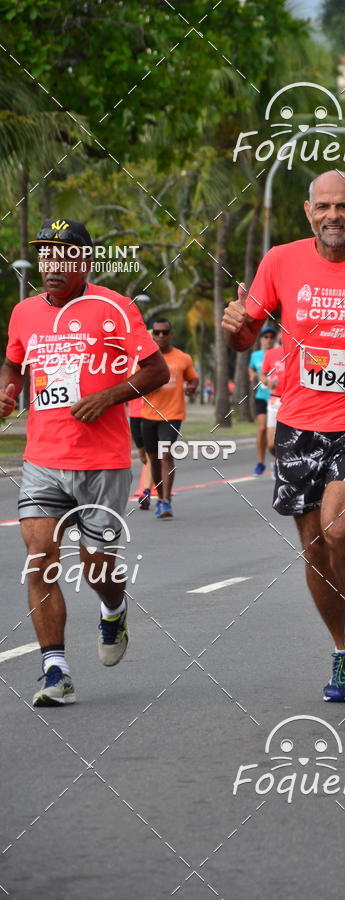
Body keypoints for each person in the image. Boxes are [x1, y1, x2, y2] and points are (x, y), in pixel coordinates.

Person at [223, 170, 345, 703]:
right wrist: (236, 326)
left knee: (338, 526)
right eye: (323, 206)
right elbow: (248, 331)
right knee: (314, 546)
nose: (333, 216)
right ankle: (342, 649)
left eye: (344, 206)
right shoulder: (280, 260)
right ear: (308, 211)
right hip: (298, 421)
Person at [0, 218, 168, 706]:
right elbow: (13, 361)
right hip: (43, 459)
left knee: (97, 566)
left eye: (65, 254)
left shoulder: (114, 308)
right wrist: (8, 390)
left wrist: (108, 397)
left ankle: (113, 609)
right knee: (39, 560)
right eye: (47, 255)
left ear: (85, 261)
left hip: (103, 462)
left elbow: (155, 369)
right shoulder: (24, 313)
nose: (53, 264)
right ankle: (55, 670)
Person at [140, 317, 198, 518]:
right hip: (147, 415)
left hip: (172, 415)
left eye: (165, 332)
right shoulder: (145, 358)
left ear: (171, 334)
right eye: (157, 332)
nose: (161, 336)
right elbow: (134, 382)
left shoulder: (183, 358)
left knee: (166, 455)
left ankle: (166, 501)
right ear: (152, 334)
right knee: (153, 460)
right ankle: (159, 496)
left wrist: (192, 388)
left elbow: (193, 378)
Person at [249, 326, 276, 475]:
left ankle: (275, 461)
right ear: (261, 340)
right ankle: (260, 462)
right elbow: (252, 368)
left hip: (276, 398)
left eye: (272, 337)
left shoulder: (280, 354)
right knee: (261, 428)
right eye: (266, 337)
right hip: (261, 396)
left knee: (274, 433)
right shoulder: (256, 356)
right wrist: (252, 374)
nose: (269, 340)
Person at [260, 334, 285, 467]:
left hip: (293, 401)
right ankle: (278, 462)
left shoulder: (299, 351)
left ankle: (283, 466)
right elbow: (262, 374)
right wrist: (266, 381)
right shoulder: (271, 353)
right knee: (271, 444)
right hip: (275, 401)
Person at [129, 396, 153, 510]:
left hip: (151, 414)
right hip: (134, 414)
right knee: (143, 456)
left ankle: (146, 492)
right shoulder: (125, 376)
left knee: (150, 456)